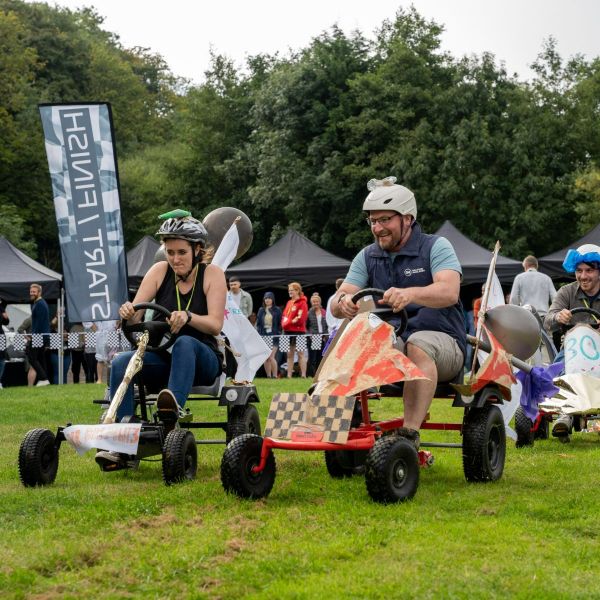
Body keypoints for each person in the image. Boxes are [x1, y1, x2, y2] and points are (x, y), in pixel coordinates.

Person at [331, 176, 466, 449]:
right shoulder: (367, 256)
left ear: (407, 218)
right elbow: (338, 298)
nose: (377, 228)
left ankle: (408, 436)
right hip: (392, 344)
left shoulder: (436, 247)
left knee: (418, 344)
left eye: (384, 220)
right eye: (372, 221)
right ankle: (339, 423)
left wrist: (411, 293)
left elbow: (450, 291)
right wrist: (343, 302)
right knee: (348, 337)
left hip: (444, 343)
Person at [95, 211, 226, 467]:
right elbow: (136, 317)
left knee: (186, 343)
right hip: (166, 354)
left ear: (197, 250)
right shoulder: (159, 270)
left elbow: (215, 324)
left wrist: (188, 317)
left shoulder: (212, 274)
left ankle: (169, 416)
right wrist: (128, 313)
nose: (175, 259)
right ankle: (123, 438)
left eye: (181, 252)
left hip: (203, 360)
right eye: (170, 252)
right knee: (122, 360)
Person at [544, 243, 600, 436]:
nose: (583, 276)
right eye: (579, 271)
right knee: (557, 370)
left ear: (599, 272)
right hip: (571, 350)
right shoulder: (566, 292)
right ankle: (565, 414)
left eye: (589, 271)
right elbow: (547, 321)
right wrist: (558, 317)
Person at [282, 282, 309, 378]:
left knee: (301, 353)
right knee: (289, 354)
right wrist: (284, 323)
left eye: (292, 290)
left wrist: (288, 322)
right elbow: (284, 315)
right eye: (289, 290)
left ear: (297, 291)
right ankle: (289, 375)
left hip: (299, 331)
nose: (290, 292)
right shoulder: (289, 302)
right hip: (287, 331)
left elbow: (301, 318)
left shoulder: (303, 303)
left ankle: (303, 375)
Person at [27, 284, 50, 387]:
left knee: (31, 357)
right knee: (40, 358)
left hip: (39, 336)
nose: (32, 293)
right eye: (31, 291)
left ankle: (44, 378)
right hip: (41, 335)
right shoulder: (38, 303)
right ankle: (44, 380)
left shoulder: (40, 304)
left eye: (34, 292)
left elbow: (40, 323)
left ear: (39, 292)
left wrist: (34, 336)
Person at [255, 291, 282, 378]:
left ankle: (275, 375)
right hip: (264, 335)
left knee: (271, 356)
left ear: (272, 299)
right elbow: (258, 324)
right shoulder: (261, 310)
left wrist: (278, 332)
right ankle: (268, 376)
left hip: (274, 336)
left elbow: (280, 323)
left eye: (269, 298)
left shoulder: (277, 310)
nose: (267, 300)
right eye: (266, 298)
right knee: (266, 357)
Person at [307, 292, 328, 376]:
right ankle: (312, 375)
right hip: (313, 337)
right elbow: (305, 326)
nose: (315, 303)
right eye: (313, 302)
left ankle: (319, 374)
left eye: (317, 301)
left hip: (322, 337)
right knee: (313, 358)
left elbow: (327, 325)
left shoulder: (324, 312)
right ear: (311, 303)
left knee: (321, 357)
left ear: (320, 302)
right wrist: (309, 334)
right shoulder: (309, 313)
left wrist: (325, 335)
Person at [95, 319, 119, 385]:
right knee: (100, 358)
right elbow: (89, 322)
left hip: (113, 334)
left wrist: (118, 324)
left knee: (113, 357)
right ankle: (99, 379)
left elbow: (120, 319)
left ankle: (113, 379)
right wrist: (96, 329)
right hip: (100, 334)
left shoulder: (114, 309)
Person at [0, 298, 9, 389]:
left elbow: (6, 321)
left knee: (2, 358)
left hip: (1, 336)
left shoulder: (1, 307)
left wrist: (2, 309)